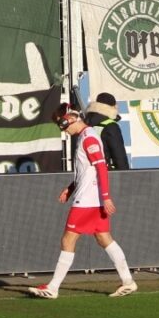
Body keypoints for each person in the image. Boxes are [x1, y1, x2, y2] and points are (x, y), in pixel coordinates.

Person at [28, 106, 137, 298]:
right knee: (104, 238)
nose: (64, 130)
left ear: (70, 119)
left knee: (68, 239)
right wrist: (70, 188)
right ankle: (128, 281)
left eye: (62, 125)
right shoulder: (86, 137)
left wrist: (106, 196)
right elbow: (87, 171)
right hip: (90, 198)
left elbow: (101, 167)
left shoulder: (88, 138)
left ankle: (53, 288)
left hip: (87, 201)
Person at [86, 93, 129, 170]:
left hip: (87, 172)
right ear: (113, 107)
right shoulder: (110, 126)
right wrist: (125, 176)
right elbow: (119, 156)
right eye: (116, 105)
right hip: (105, 173)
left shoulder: (86, 123)